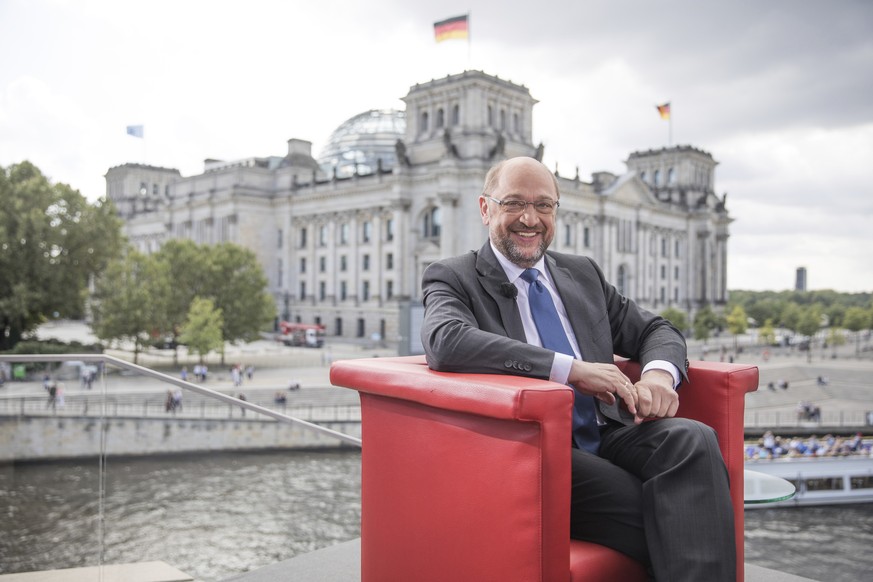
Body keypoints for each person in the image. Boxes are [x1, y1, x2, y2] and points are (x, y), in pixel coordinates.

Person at [420, 156, 735, 582]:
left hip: (609, 428)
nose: (530, 219)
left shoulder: (582, 273)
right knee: (679, 511)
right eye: (513, 203)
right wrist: (570, 370)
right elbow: (445, 341)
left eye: (544, 206)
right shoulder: (454, 276)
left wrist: (658, 374)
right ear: (485, 209)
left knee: (693, 437)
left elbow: (656, 330)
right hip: (535, 445)